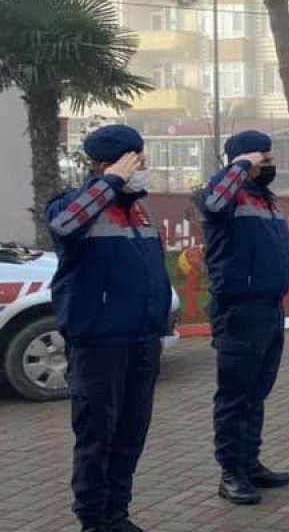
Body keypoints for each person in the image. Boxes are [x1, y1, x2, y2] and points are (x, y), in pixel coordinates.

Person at [46, 125, 170, 532]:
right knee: (97, 438)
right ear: (108, 164)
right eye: (136, 160)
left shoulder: (138, 211)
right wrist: (110, 182)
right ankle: (93, 520)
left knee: (131, 435)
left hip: (142, 341)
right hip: (100, 343)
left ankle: (118, 514)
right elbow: (65, 226)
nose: (143, 168)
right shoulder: (72, 205)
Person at [198, 130, 289, 505]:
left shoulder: (264, 199)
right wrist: (239, 165)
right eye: (264, 158)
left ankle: (250, 462)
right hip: (240, 310)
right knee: (235, 396)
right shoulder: (226, 195)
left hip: (270, 307)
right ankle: (231, 471)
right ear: (245, 161)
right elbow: (215, 201)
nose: (270, 164)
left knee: (257, 392)